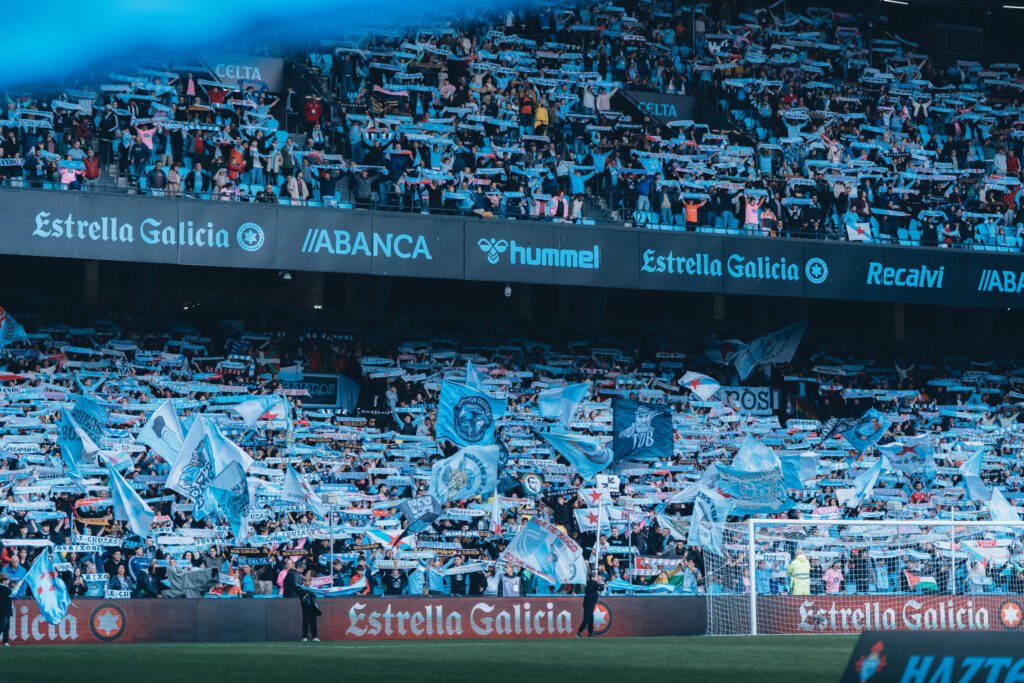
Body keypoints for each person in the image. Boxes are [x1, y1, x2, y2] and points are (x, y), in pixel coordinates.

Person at [576, 571, 605, 638]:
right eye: (596, 577)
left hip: (589, 603)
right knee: (587, 618)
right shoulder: (593, 583)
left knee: (591, 618)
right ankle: (579, 631)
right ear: (592, 578)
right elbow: (601, 588)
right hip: (589, 603)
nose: (597, 578)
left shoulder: (590, 583)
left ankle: (590, 633)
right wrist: (602, 584)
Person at [297, 572, 322, 642]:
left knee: (313, 622)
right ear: (304, 582)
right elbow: (303, 599)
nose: (308, 582)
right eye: (306, 581)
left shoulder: (312, 588)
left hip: (312, 607)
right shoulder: (301, 589)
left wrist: (311, 592)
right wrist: (307, 593)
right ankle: (305, 636)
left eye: (309, 581)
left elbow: (314, 596)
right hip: (305, 607)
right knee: (305, 622)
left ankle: (314, 636)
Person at [0, 574, 11, 647]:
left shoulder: (6, 588)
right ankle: (5, 641)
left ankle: (5, 641)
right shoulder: (2, 588)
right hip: (2, 609)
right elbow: (12, 594)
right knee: (2, 625)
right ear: (3, 580)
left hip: (7, 609)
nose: (8, 581)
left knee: (7, 626)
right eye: (7, 580)